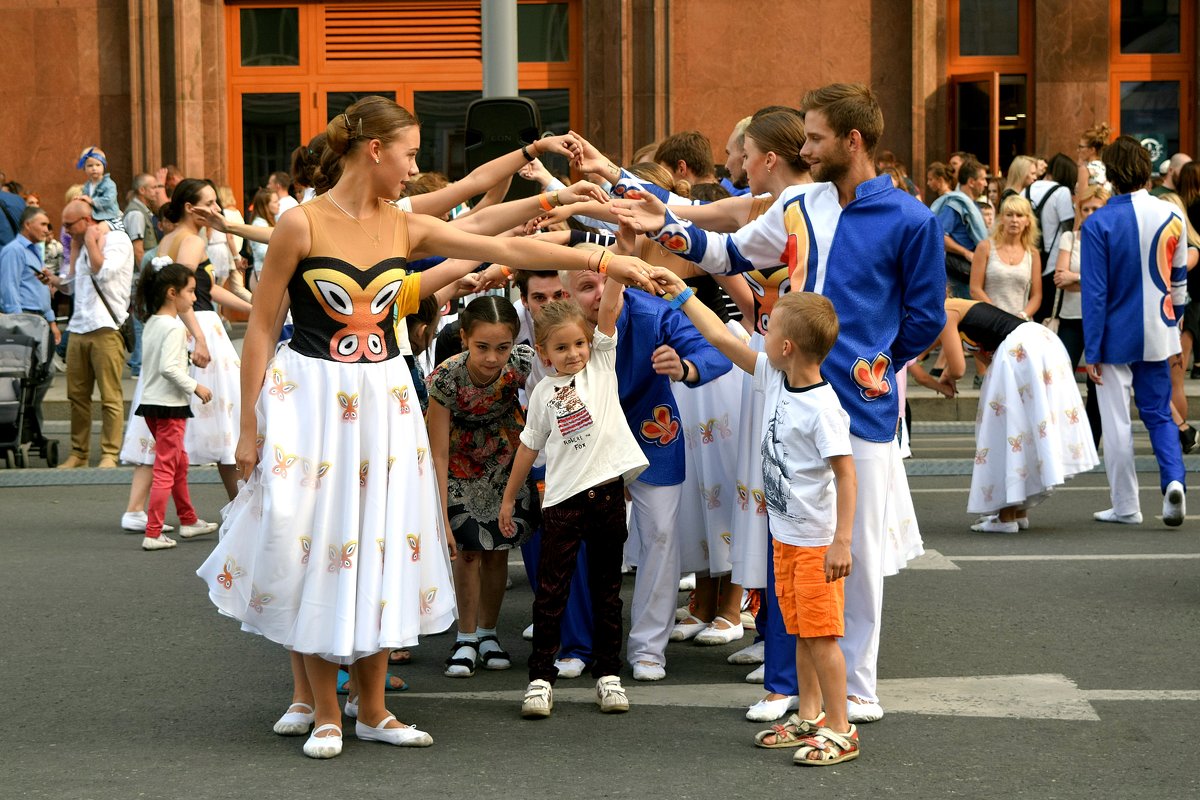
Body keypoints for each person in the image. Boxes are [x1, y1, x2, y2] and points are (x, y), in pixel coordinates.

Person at [195, 96, 658, 759]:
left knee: (382, 541)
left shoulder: (403, 227)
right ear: (374, 150)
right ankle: (324, 708)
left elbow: (495, 241)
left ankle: (375, 709)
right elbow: (262, 326)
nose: (417, 168)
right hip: (313, 397)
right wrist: (248, 427)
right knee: (316, 541)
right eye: (411, 154)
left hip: (384, 397)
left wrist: (603, 260)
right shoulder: (301, 225)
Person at [615, 83, 946, 723]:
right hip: (783, 394)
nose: (807, 148)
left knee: (857, 554)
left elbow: (925, 317)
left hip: (862, 407)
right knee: (789, 543)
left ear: (853, 141)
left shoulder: (912, 220)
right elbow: (732, 254)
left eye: (816, 137)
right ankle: (799, 689)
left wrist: (877, 366)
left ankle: (856, 692)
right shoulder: (799, 201)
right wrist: (669, 230)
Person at [651, 269, 861, 765]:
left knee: (821, 636)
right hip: (784, 536)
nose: (760, 334)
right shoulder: (774, 375)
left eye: (770, 329)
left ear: (787, 346)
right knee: (799, 631)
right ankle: (808, 714)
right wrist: (681, 294)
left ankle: (840, 727)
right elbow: (722, 336)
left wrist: (842, 541)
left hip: (814, 541)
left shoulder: (823, 408)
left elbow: (847, 477)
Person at [501, 284, 649, 719]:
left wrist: (615, 262)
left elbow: (609, 304)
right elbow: (528, 448)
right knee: (551, 594)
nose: (573, 353)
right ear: (544, 355)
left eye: (579, 343)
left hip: (606, 497)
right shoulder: (544, 395)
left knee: (608, 592)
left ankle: (608, 676)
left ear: (592, 342)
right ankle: (540, 680)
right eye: (561, 348)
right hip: (561, 503)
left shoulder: (602, 366)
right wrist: (509, 499)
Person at [909, 297, 1098, 532]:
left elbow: (957, 367)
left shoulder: (945, 311)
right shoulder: (958, 308)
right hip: (1036, 344)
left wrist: (946, 378)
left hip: (1021, 350)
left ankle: (1007, 516)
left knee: (1006, 430)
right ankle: (1018, 511)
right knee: (1024, 428)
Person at [427, 295, 538, 678]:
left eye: (502, 347)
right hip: (458, 467)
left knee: (497, 551)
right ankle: (465, 635)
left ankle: (489, 633)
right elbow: (437, 453)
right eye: (482, 347)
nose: (492, 358)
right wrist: (439, 515)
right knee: (468, 553)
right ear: (463, 339)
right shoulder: (446, 378)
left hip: (507, 463)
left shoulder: (523, 365)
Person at [1082, 135, 1187, 527]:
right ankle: (1174, 481)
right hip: (1159, 329)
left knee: (1117, 424)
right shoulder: (1171, 215)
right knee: (1159, 414)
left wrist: (1091, 350)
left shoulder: (1098, 223)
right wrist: (1175, 332)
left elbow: (1095, 294)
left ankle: (1126, 505)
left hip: (1113, 336)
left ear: (1109, 174)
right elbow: (1179, 285)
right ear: (1146, 170)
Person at [131, 259, 218, 550]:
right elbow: (169, 368)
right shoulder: (172, 328)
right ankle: (154, 532)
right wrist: (197, 386)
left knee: (177, 462)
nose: (194, 298)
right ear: (172, 292)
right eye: (191, 292)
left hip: (152, 404)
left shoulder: (154, 322)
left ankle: (188, 519)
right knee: (167, 468)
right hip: (170, 407)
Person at [55, 196, 133, 468]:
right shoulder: (79, 242)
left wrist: (89, 241)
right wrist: (59, 275)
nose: (65, 231)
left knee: (110, 396)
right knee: (77, 396)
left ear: (87, 220)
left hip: (106, 328)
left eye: (68, 225)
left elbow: (104, 273)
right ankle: (79, 453)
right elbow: (72, 284)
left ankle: (110, 453)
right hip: (78, 325)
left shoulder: (118, 240)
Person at [1052, 185, 1109, 446]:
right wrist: (1089, 281)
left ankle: (1091, 439)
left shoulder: (1111, 239)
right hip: (1071, 317)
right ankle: (1063, 435)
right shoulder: (1069, 239)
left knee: (1097, 383)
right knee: (1059, 377)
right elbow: (1060, 278)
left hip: (1102, 318)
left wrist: (1077, 278)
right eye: (1085, 209)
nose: (1089, 213)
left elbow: (1109, 282)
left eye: (1095, 208)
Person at [0, 206, 59, 441]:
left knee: (42, 373)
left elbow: (40, 287)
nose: (47, 229)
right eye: (43, 224)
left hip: (39, 320)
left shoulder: (34, 250)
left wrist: (52, 321)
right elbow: (8, 288)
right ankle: (24, 426)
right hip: (25, 320)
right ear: (28, 225)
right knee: (32, 374)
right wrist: (17, 323)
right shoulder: (14, 251)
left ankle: (29, 426)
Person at [969, 194, 1041, 319]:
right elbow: (975, 289)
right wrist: (997, 315)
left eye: (1019, 215)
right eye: (1009, 215)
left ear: (1028, 221)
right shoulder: (985, 247)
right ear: (1002, 218)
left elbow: (1037, 296)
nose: (1014, 220)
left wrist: (1023, 315)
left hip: (1020, 324)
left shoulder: (1032, 254)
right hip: (990, 321)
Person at [1023, 153, 1077, 321]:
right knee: (1049, 316)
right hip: (1053, 261)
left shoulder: (1027, 190)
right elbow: (1069, 228)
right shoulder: (1062, 192)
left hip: (1029, 258)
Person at [932, 155, 990, 298]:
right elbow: (940, 236)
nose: (985, 184)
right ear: (971, 182)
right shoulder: (955, 205)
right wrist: (966, 253)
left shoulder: (970, 204)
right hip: (959, 276)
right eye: (982, 179)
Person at [77, 147, 119, 223]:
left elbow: (108, 200)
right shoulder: (87, 186)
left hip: (110, 218)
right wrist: (81, 200)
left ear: (104, 166)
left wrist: (91, 201)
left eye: (98, 165)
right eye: (90, 165)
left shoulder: (109, 184)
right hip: (94, 217)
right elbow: (86, 200)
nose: (94, 168)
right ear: (84, 168)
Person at [247, 188, 278, 279]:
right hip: (262, 274)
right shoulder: (259, 224)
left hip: (267, 272)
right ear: (265, 206)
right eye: (275, 202)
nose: (278, 204)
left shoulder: (269, 222)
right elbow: (262, 253)